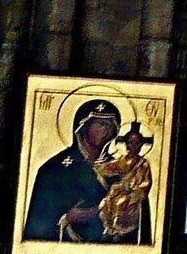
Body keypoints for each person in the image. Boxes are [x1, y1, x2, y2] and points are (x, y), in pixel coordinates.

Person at [22, 98, 120, 242]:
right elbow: (40, 224)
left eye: (110, 126)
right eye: (100, 124)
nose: (105, 130)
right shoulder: (54, 169)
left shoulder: (120, 169)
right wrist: (69, 217)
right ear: (84, 126)